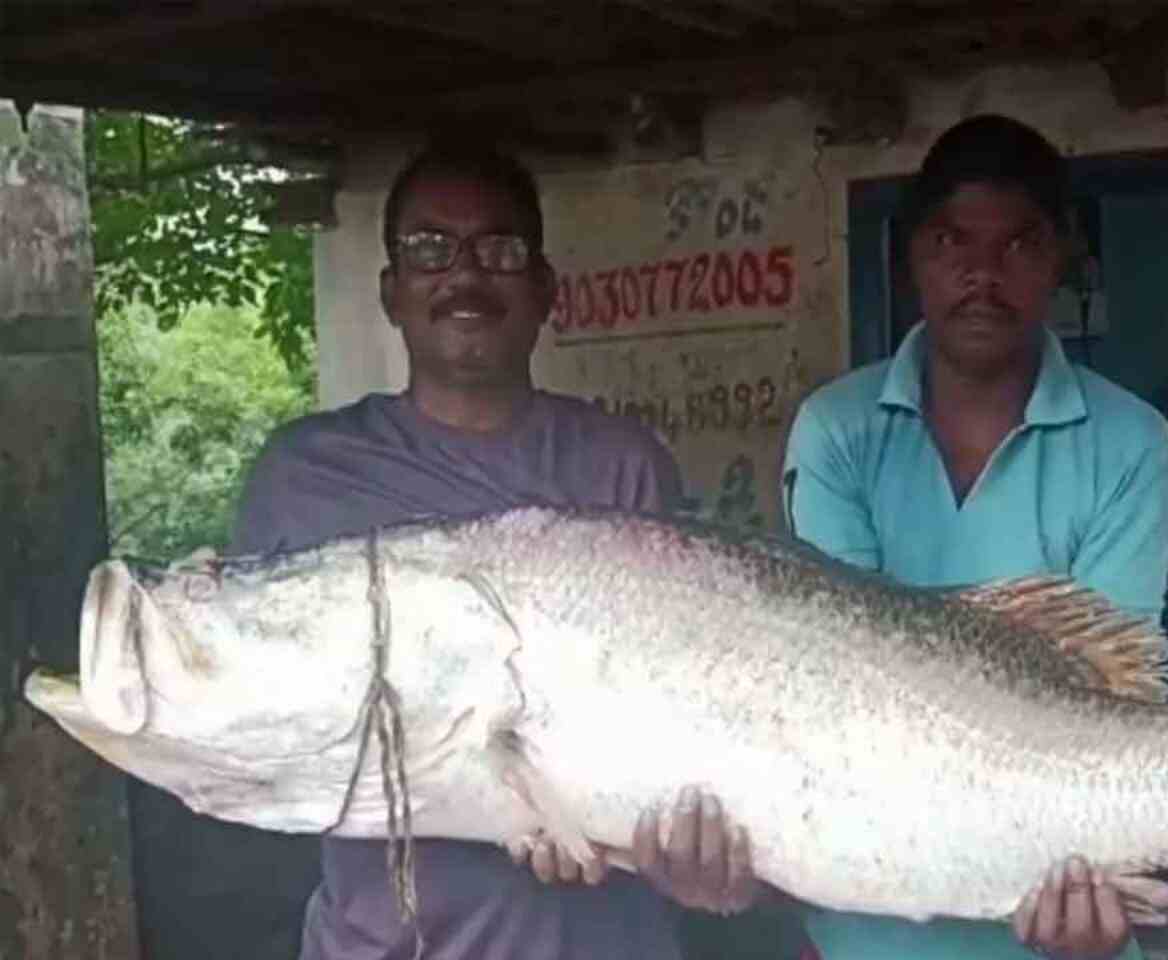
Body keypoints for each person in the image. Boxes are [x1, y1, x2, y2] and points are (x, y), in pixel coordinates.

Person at [132, 139, 762, 960]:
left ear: (543, 290)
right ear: (392, 291)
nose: (464, 276)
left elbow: (682, 714)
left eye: (499, 249)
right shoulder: (306, 473)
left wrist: (682, 854)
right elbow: (262, 722)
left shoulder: (622, 462)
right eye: (430, 249)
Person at [781, 114, 1168, 960]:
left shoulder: (1131, 440)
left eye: (1018, 245)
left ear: (1059, 258)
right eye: (952, 240)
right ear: (912, 257)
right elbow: (846, 681)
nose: (982, 274)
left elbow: (1107, 682)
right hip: (867, 934)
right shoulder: (838, 432)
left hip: (1059, 906)